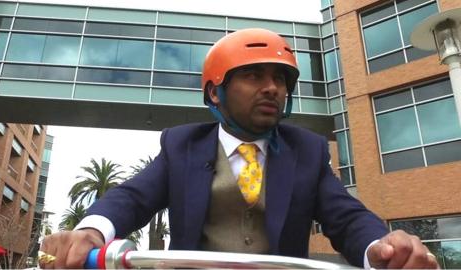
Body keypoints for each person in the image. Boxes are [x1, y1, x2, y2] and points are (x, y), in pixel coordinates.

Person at [39, 28, 439, 269]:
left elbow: (346, 217)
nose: (273, 87)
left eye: (281, 79)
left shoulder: (309, 150)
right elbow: (132, 196)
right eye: (254, 75)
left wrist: (382, 250)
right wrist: (90, 231)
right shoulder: (181, 145)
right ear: (215, 90)